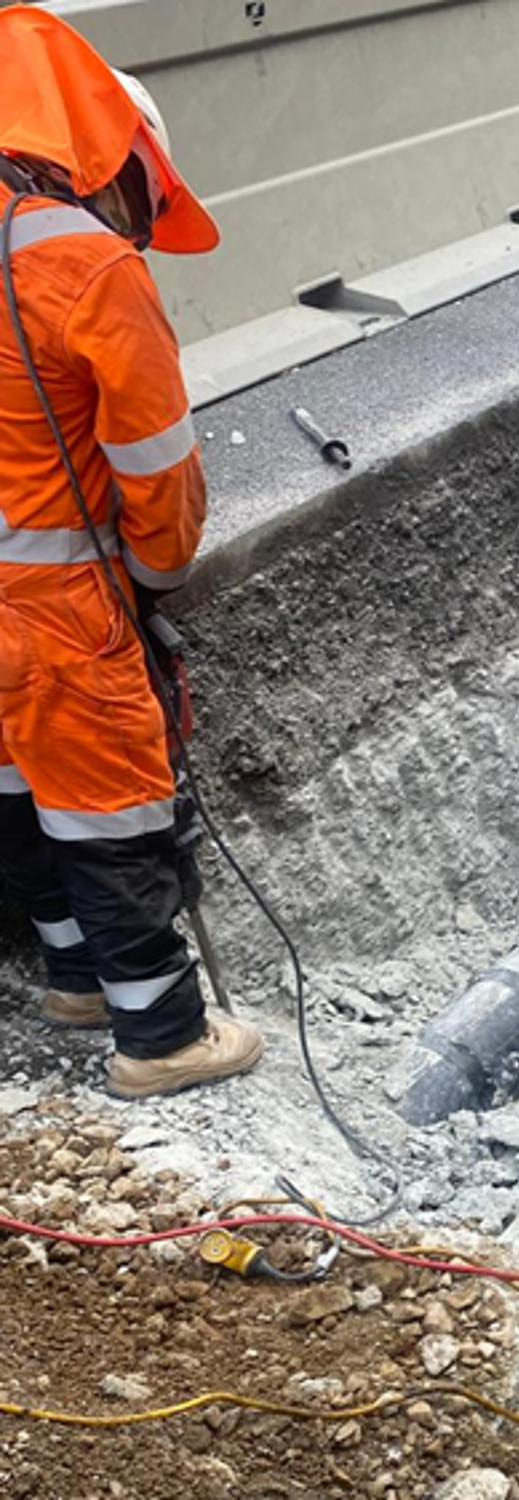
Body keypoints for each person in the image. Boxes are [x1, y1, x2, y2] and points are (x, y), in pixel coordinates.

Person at [0, 9, 262, 1097]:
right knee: (113, 808)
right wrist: (154, 582)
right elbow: (157, 469)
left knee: (17, 788)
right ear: (117, 161)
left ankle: (71, 979)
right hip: (59, 598)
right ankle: (162, 1039)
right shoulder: (84, 263)